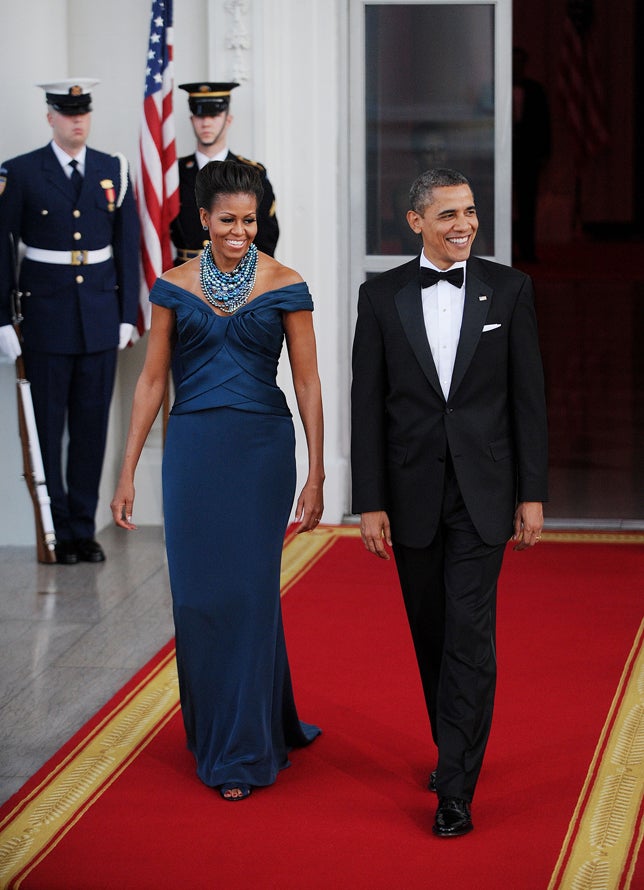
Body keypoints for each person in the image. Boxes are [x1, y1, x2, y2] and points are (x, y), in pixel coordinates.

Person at [111, 160, 324, 801]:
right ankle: (229, 725)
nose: (240, 232)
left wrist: (316, 472)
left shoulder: (286, 283)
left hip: (262, 450)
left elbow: (309, 382)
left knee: (251, 595)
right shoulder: (172, 285)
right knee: (200, 600)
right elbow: (152, 381)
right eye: (228, 220)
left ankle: (242, 753)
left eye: (251, 220)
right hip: (194, 452)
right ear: (203, 220)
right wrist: (127, 472)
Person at [351, 168, 548, 837]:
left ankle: (455, 789)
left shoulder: (510, 289)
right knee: (431, 631)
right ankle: (454, 746)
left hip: (484, 495)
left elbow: (529, 402)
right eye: (447, 215)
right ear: (416, 223)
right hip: (409, 496)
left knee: (469, 637)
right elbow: (367, 408)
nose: (463, 225)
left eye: (469, 212)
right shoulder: (380, 297)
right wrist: (368, 502)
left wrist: (534, 494)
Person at [0, 79, 140, 564]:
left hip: (100, 317)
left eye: (83, 112)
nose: (77, 120)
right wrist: (2, 319)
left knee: (90, 429)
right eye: (67, 112)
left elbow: (126, 246)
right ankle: (55, 530)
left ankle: (83, 529)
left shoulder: (112, 169)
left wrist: (127, 315)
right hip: (45, 318)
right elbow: (1, 249)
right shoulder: (19, 172)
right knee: (47, 426)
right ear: (50, 117)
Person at [171, 82, 279, 263]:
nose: (206, 123)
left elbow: (266, 237)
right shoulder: (174, 173)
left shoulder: (252, 173)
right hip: (185, 277)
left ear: (228, 120)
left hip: (237, 274)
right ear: (192, 120)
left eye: (214, 115)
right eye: (199, 116)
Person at [512, 47, 550, 262]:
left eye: (519, 62)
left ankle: (527, 249)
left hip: (528, 155)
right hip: (505, 157)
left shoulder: (535, 90)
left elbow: (544, 124)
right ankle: (507, 247)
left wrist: (544, 152)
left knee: (527, 203)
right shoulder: (497, 88)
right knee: (507, 204)